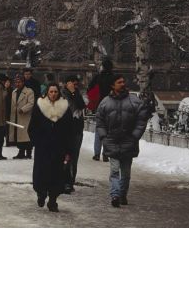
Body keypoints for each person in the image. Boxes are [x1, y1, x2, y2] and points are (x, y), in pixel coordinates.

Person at [96, 73, 150, 207]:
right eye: (119, 82)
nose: (122, 84)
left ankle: (122, 195)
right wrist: (104, 137)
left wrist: (135, 136)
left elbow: (141, 120)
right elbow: (100, 121)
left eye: (123, 82)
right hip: (112, 141)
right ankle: (115, 195)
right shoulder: (105, 102)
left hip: (128, 141)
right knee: (114, 171)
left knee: (125, 174)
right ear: (112, 85)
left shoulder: (134, 101)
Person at [27, 82, 74, 212]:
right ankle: (41, 194)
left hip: (58, 147)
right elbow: (32, 127)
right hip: (43, 147)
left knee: (57, 174)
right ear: (47, 93)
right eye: (51, 92)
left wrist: (68, 148)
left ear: (59, 93)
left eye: (55, 92)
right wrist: (37, 141)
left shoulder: (65, 108)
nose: (53, 94)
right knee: (41, 173)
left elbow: (70, 130)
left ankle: (53, 199)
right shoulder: (40, 106)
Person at [61, 74, 86, 192]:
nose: (75, 86)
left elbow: (81, 105)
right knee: (64, 157)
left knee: (73, 157)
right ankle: (62, 180)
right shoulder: (61, 94)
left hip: (76, 130)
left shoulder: (77, 94)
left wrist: (74, 93)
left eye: (76, 84)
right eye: (73, 84)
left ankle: (70, 182)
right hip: (64, 130)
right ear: (67, 83)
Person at [87, 57, 114, 161]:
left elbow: (90, 89)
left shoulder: (98, 77)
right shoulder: (114, 78)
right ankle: (106, 154)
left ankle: (97, 153)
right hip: (112, 106)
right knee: (109, 131)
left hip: (100, 106)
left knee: (99, 130)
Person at [8, 73, 35, 159]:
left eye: (19, 82)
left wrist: (23, 109)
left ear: (23, 82)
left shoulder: (29, 91)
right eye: (16, 82)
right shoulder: (14, 92)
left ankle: (28, 153)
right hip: (16, 116)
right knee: (19, 136)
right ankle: (21, 152)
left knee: (26, 135)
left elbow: (31, 103)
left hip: (25, 117)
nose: (17, 84)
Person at [4, 76, 13, 145]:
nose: (7, 83)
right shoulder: (2, 90)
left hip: (9, 110)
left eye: (8, 82)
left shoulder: (12, 91)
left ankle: (8, 141)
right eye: (6, 82)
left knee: (8, 126)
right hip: (3, 110)